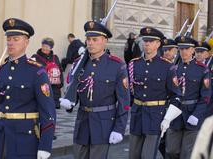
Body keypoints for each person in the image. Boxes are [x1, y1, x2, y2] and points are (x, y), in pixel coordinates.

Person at [0, 18, 56, 159]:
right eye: (9, 39)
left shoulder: (37, 72)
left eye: (16, 39)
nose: (11, 43)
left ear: (26, 42)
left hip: (24, 141)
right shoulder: (0, 71)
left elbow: (48, 111)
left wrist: (45, 145)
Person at [60, 21, 130, 159]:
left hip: (103, 123)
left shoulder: (116, 65)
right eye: (88, 39)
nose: (90, 43)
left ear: (104, 41)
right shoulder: (79, 63)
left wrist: (119, 129)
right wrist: (70, 102)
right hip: (82, 123)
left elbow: (124, 102)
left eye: (95, 40)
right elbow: (75, 90)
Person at [128, 27, 181, 159]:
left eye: (151, 41)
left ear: (158, 44)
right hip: (137, 115)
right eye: (145, 40)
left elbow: (176, 96)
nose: (147, 43)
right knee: (133, 155)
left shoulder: (168, 67)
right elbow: (128, 92)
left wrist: (168, 118)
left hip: (156, 117)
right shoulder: (134, 64)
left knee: (147, 155)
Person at [161, 36, 211, 159]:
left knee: (187, 153)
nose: (184, 52)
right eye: (181, 49)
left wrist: (197, 115)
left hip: (192, 113)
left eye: (187, 49)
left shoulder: (202, 70)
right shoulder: (173, 69)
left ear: (193, 50)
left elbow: (205, 96)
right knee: (171, 150)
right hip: (175, 114)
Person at [32, 37, 63, 109]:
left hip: (55, 88)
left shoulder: (55, 58)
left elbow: (60, 70)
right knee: (43, 107)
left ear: (51, 48)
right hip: (41, 86)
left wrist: (60, 84)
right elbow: (31, 72)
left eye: (46, 46)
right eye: (43, 46)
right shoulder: (35, 57)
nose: (44, 48)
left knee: (53, 109)